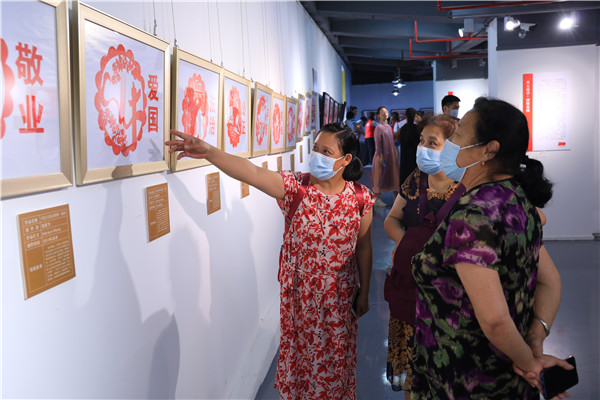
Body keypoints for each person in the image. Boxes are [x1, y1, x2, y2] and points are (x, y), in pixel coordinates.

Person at [166, 122, 376, 400]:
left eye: (326, 151)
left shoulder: (360, 198)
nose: (317, 156)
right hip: (301, 299)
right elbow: (252, 172)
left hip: (339, 297)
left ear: (346, 159)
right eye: (315, 149)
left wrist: (365, 292)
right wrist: (209, 152)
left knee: (336, 362)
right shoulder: (296, 188)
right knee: (302, 364)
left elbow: (364, 248)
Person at [410, 98, 573, 398]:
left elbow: (495, 320)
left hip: (466, 379)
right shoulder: (517, 200)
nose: (451, 144)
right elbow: (551, 282)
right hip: (508, 376)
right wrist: (534, 342)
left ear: (489, 150)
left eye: (459, 135)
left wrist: (531, 365)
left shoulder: (472, 215)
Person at [383, 114, 465, 399]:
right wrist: (410, 244)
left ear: (452, 148)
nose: (423, 148)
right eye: (421, 141)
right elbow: (392, 219)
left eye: (432, 143)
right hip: (409, 287)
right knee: (412, 372)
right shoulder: (416, 179)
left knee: (446, 373)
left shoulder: (468, 185)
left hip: (449, 294)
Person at [372, 106, 400, 207]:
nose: (385, 113)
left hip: (391, 156)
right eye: (382, 112)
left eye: (386, 111)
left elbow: (391, 140)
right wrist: (381, 156)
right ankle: (376, 199)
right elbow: (378, 143)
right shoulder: (378, 128)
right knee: (380, 177)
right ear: (379, 115)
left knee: (393, 177)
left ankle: (397, 198)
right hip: (382, 156)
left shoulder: (388, 127)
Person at [399, 108, 420, 185]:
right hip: (415, 159)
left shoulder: (403, 129)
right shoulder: (417, 129)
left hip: (405, 159)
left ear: (406, 116)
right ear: (415, 116)